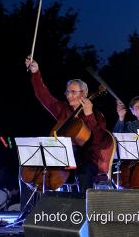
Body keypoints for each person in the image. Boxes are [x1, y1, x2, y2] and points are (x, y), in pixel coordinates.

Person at [24, 57, 113, 191]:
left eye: (73, 92)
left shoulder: (97, 115)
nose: (69, 95)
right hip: (62, 160)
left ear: (85, 94)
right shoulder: (63, 109)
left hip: (86, 160)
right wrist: (35, 72)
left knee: (84, 173)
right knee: (29, 169)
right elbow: (44, 96)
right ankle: (34, 209)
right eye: (67, 92)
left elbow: (100, 141)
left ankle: (83, 210)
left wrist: (89, 116)